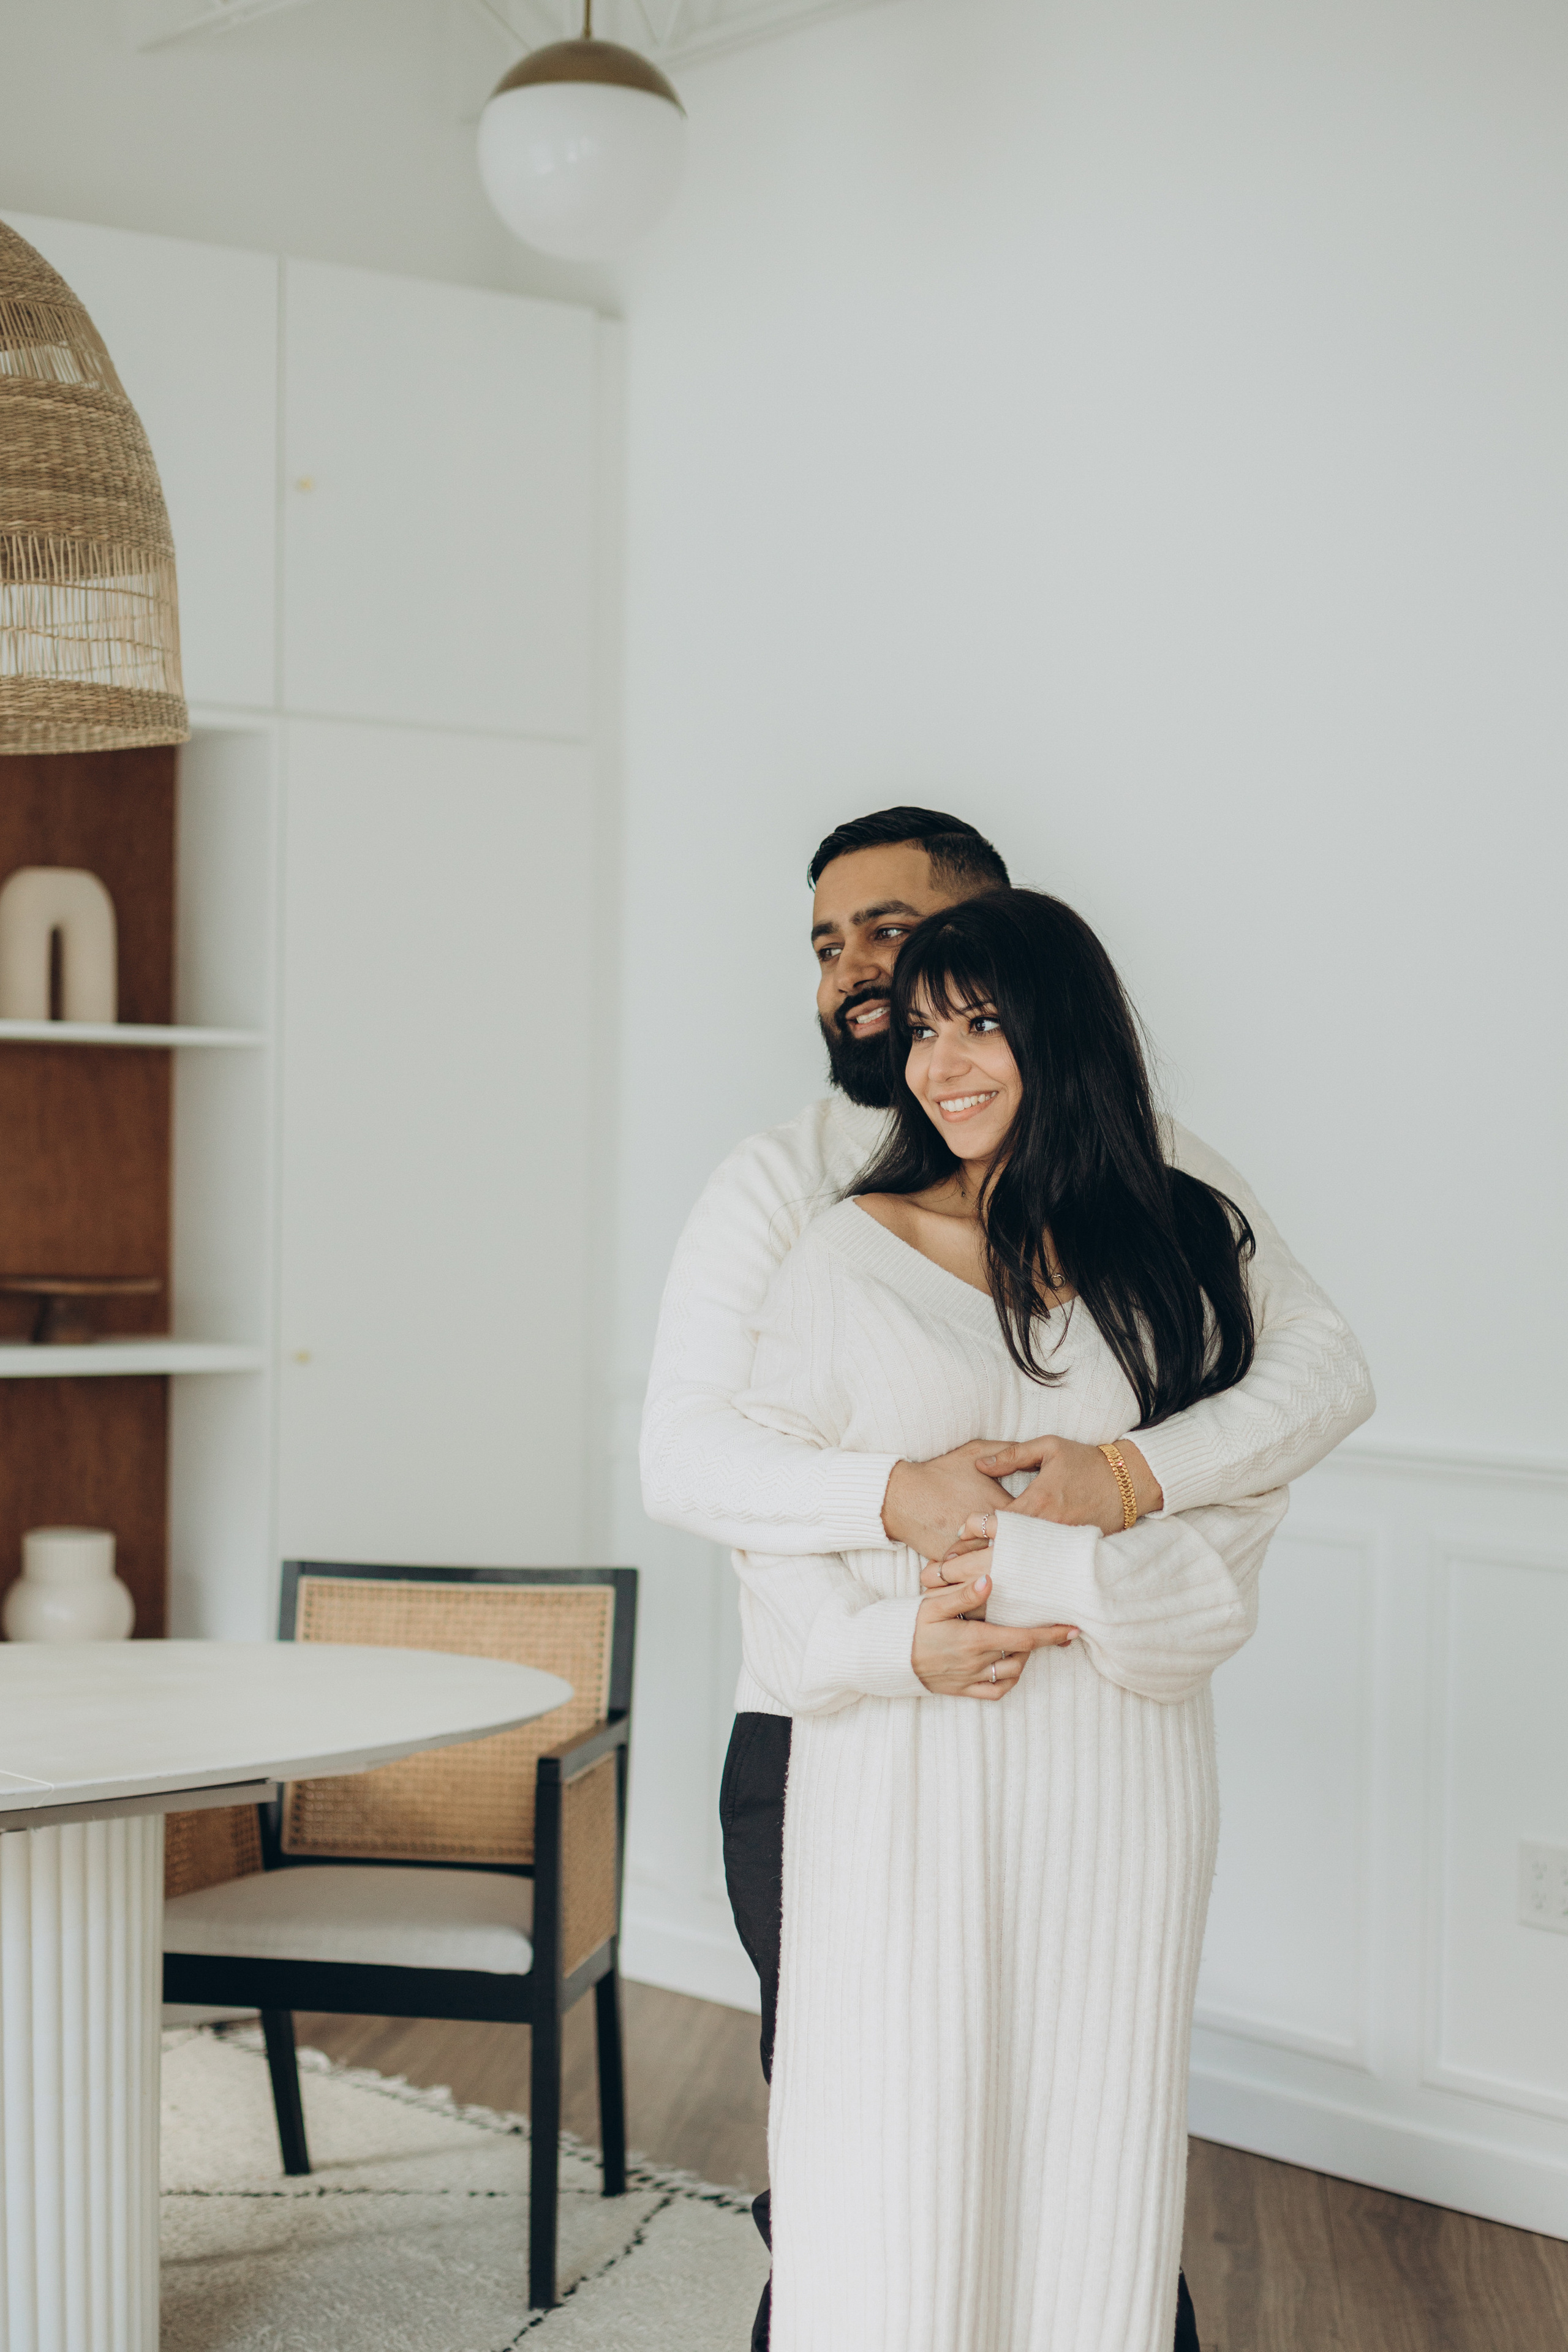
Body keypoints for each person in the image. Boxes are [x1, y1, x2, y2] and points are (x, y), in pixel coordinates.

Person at [639, 810, 1374, 2351]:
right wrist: (896, 1509)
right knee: (861, 2166)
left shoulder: (1161, 1195)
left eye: (900, 940)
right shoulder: (791, 1196)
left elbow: (1307, 1386)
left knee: (1085, 2168)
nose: (863, 978)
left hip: (1102, 1763)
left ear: (1019, 953)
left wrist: (1125, 1479)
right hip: (838, 1738)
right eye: (833, 947)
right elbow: (696, 1462)